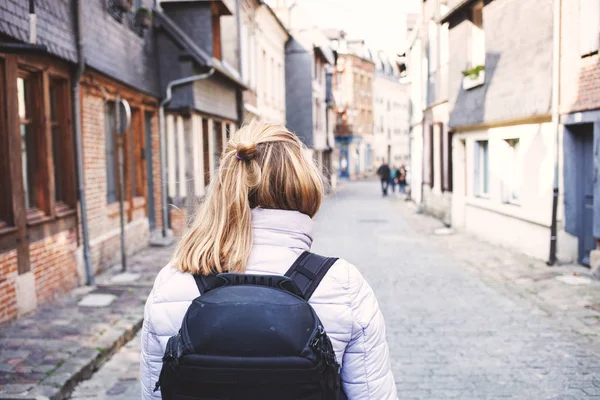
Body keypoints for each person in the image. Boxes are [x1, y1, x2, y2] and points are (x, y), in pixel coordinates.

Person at [140, 121, 397, 400]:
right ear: (304, 186)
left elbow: (156, 394)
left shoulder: (172, 283)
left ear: (223, 186)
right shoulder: (344, 285)